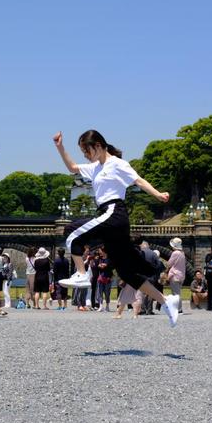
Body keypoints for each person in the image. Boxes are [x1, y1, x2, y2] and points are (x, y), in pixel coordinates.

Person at [53, 130, 179, 327]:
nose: (85, 155)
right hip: (109, 217)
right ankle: (166, 302)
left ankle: (82, 274)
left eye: (86, 151)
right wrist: (60, 147)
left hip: (114, 212)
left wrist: (157, 194)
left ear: (97, 146)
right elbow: (72, 167)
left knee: (72, 232)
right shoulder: (95, 167)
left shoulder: (118, 164)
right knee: (126, 272)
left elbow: (138, 180)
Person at [166, 238, 186, 313]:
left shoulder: (175, 253)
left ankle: (179, 309)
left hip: (175, 275)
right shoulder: (182, 253)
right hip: (181, 275)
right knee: (177, 292)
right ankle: (178, 308)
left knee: (176, 294)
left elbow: (169, 263)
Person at [95, 246, 114, 312]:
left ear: (104, 252)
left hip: (108, 278)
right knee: (100, 293)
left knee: (107, 293)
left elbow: (105, 266)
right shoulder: (100, 259)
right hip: (101, 278)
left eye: (100, 251)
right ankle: (101, 306)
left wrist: (102, 265)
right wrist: (101, 265)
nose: (99, 252)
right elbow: (98, 266)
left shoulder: (109, 259)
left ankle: (107, 306)